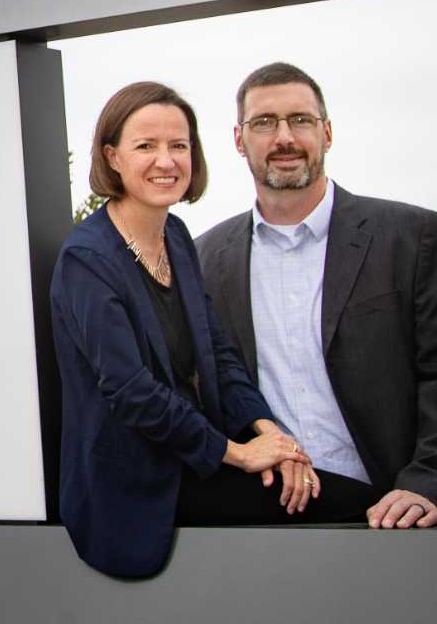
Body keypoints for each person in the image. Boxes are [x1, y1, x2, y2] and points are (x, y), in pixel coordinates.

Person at [195, 61, 437, 528]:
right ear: (239, 140)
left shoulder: (410, 236)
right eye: (264, 123)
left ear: (327, 132)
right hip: (268, 520)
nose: (284, 139)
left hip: (401, 514)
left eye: (300, 120)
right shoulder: (204, 259)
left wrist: (431, 480)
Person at [51, 81, 321, 579]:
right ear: (112, 157)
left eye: (179, 145)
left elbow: (216, 353)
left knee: (320, 491)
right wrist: (239, 454)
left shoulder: (174, 235)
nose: (167, 161)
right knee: (343, 506)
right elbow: (131, 392)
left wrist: (272, 436)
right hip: (138, 480)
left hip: (197, 455)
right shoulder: (87, 260)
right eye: (146, 146)